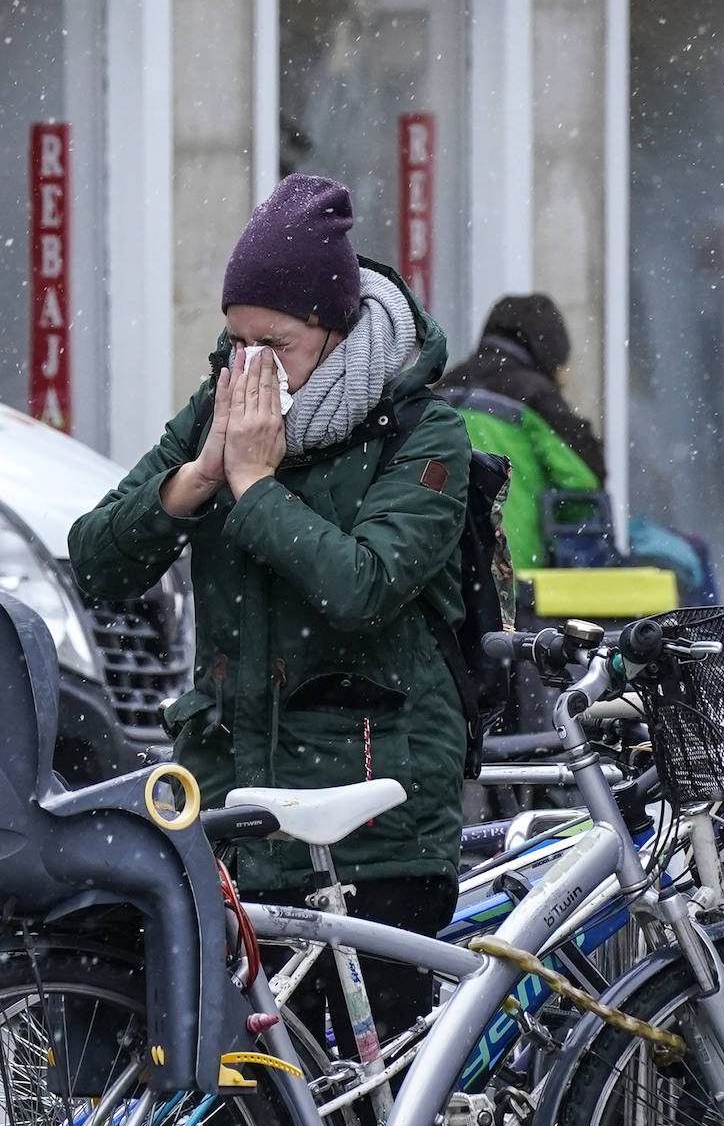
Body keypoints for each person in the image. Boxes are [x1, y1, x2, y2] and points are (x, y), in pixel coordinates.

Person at [69, 173, 472, 1048]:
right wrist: (199, 478)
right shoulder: (225, 402)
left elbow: (362, 587)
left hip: (377, 819)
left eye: (275, 345)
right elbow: (95, 562)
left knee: (371, 1088)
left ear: (336, 331)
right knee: (246, 1087)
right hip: (230, 795)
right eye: (236, 340)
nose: (250, 367)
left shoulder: (420, 433)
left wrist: (255, 488)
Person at [439, 293, 606, 567]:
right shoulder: (536, 397)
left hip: (441, 576)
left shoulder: (443, 389)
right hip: (511, 576)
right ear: (551, 353)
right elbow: (584, 483)